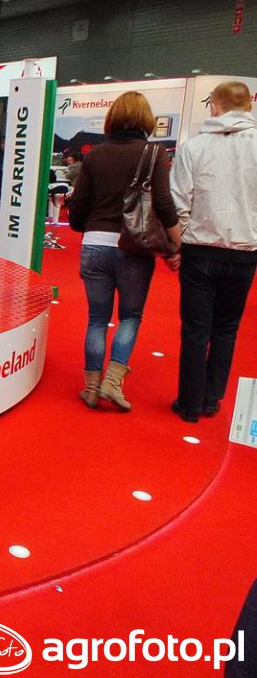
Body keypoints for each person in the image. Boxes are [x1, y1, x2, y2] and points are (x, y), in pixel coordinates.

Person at [67, 91, 181, 411]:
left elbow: (78, 205)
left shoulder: (95, 155)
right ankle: (113, 383)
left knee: (97, 318)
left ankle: (91, 388)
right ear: (146, 119)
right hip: (134, 246)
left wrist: (86, 226)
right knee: (130, 315)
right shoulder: (154, 153)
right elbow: (163, 204)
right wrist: (175, 244)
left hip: (95, 242)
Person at [169, 81, 257, 423]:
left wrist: (179, 244)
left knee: (195, 329)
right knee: (227, 327)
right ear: (249, 106)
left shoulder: (194, 147)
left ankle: (189, 403)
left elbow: (179, 201)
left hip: (199, 250)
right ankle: (210, 398)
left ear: (215, 107)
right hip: (244, 251)